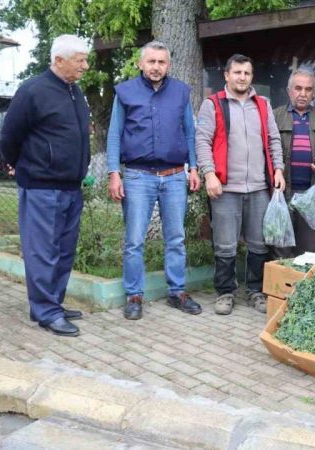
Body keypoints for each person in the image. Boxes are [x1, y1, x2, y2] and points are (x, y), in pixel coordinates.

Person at [0, 35, 91, 336]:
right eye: (80, 61)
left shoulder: (75, 92)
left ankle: (53, 303)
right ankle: (45, 311)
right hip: (41, 186)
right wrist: (22, 166)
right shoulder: (33, 91)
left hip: (71, 187)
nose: (85, 66)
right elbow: (9, 137)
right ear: (59, 60)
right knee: (42, 250)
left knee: (64, 250)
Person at [107, 41, 202, 321]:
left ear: (168, 65)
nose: (156, 67)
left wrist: (194, 168)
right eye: (151, 61)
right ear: (141, 63)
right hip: (137, 177)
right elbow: (114, 134)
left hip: (174, 176)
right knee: (134, 240)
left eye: (161, 62)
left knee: (176, 239)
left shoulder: (181, 92)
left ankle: (177, 291)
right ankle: (134, 294)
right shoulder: (125, 93)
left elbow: (189, 133)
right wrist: (114, 172)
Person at [196, 54, 285, 316]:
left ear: (251, 76)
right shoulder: (213, 105)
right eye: (237, 72)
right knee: (225, 244)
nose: (242, 77)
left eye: (246, 73)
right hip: (225, 188)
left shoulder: (263, 105)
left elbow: (273, 139)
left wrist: (278, 169)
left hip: (259, 187)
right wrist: (209, 174)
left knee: (259, 243)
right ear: (226, 75)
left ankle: (255, 290)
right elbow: (202, 141)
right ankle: (225, 292)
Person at [272, 67, 315, 256]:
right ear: (289, 90)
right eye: (298, 88)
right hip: (282, 191)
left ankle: (300, 284)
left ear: (313, 92)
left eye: (308, 89)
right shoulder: (274, 116)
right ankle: (280, 284)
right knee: (280, 244)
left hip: (310, 193)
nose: (303, 93)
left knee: (306, 249)